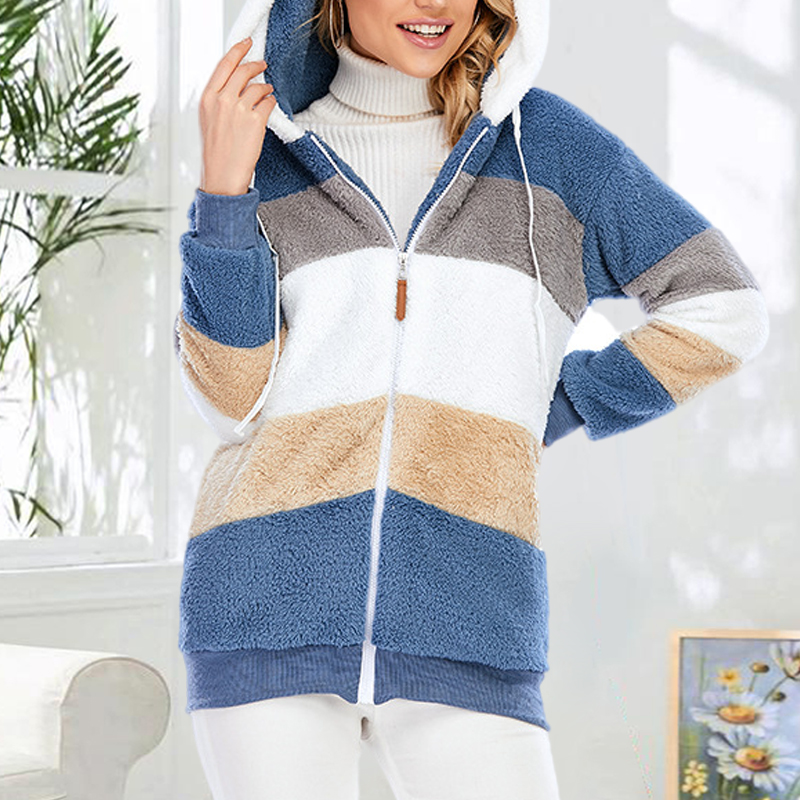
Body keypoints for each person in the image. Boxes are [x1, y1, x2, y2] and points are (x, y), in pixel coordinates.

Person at [173, 0, 770, 796]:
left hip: (471, 615)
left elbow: (724, 306)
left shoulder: (549, 153)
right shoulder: (267, 159)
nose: (436, 5)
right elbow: (230, 403)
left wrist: (558, 404)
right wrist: (224, 196)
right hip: (263, 611)